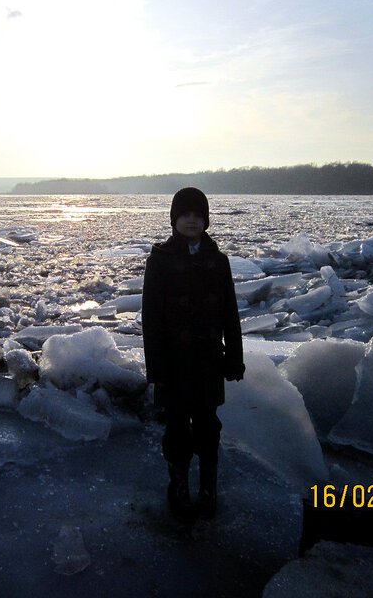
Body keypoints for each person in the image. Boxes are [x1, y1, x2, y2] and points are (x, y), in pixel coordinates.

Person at [141, 187, 244, 520]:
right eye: (185, 215)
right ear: (174, 219)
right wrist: (155, 367)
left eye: (198, 216)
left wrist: (234, 357)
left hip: (209, 361)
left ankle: (208, 488)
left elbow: (230, 313)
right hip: (173, 363)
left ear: (206, 221)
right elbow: (151, 317)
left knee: (207, 426)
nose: (191, 221)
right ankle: (179, 486)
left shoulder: (218, 261)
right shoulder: (160, 259)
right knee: (176, 428)